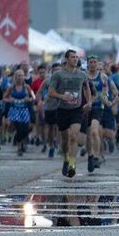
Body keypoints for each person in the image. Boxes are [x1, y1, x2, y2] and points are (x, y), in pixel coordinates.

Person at [48, 50, 91, 178]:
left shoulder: (82, 74)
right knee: (65, 139)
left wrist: (89, 102)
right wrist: (62, 96)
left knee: (73, 136)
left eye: (76, 57)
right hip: (62, 110)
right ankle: (66, 159)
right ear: (66, 59)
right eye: (72, 57)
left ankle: (72, 164)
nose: (75, 59)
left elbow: (86, 88)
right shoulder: (58, 75)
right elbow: (51, 92)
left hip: (76, 110)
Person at [86, 56, 109, 173]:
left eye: (95, 62)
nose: (93, 64)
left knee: (95, 132)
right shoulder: (84, 76)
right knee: (88, 134)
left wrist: (105, 99)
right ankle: (90, 155)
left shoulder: (103, 77)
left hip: (98, 108)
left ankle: (96, 156)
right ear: (88, 63)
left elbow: (106, 93)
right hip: (86, 108)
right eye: (91, 62)